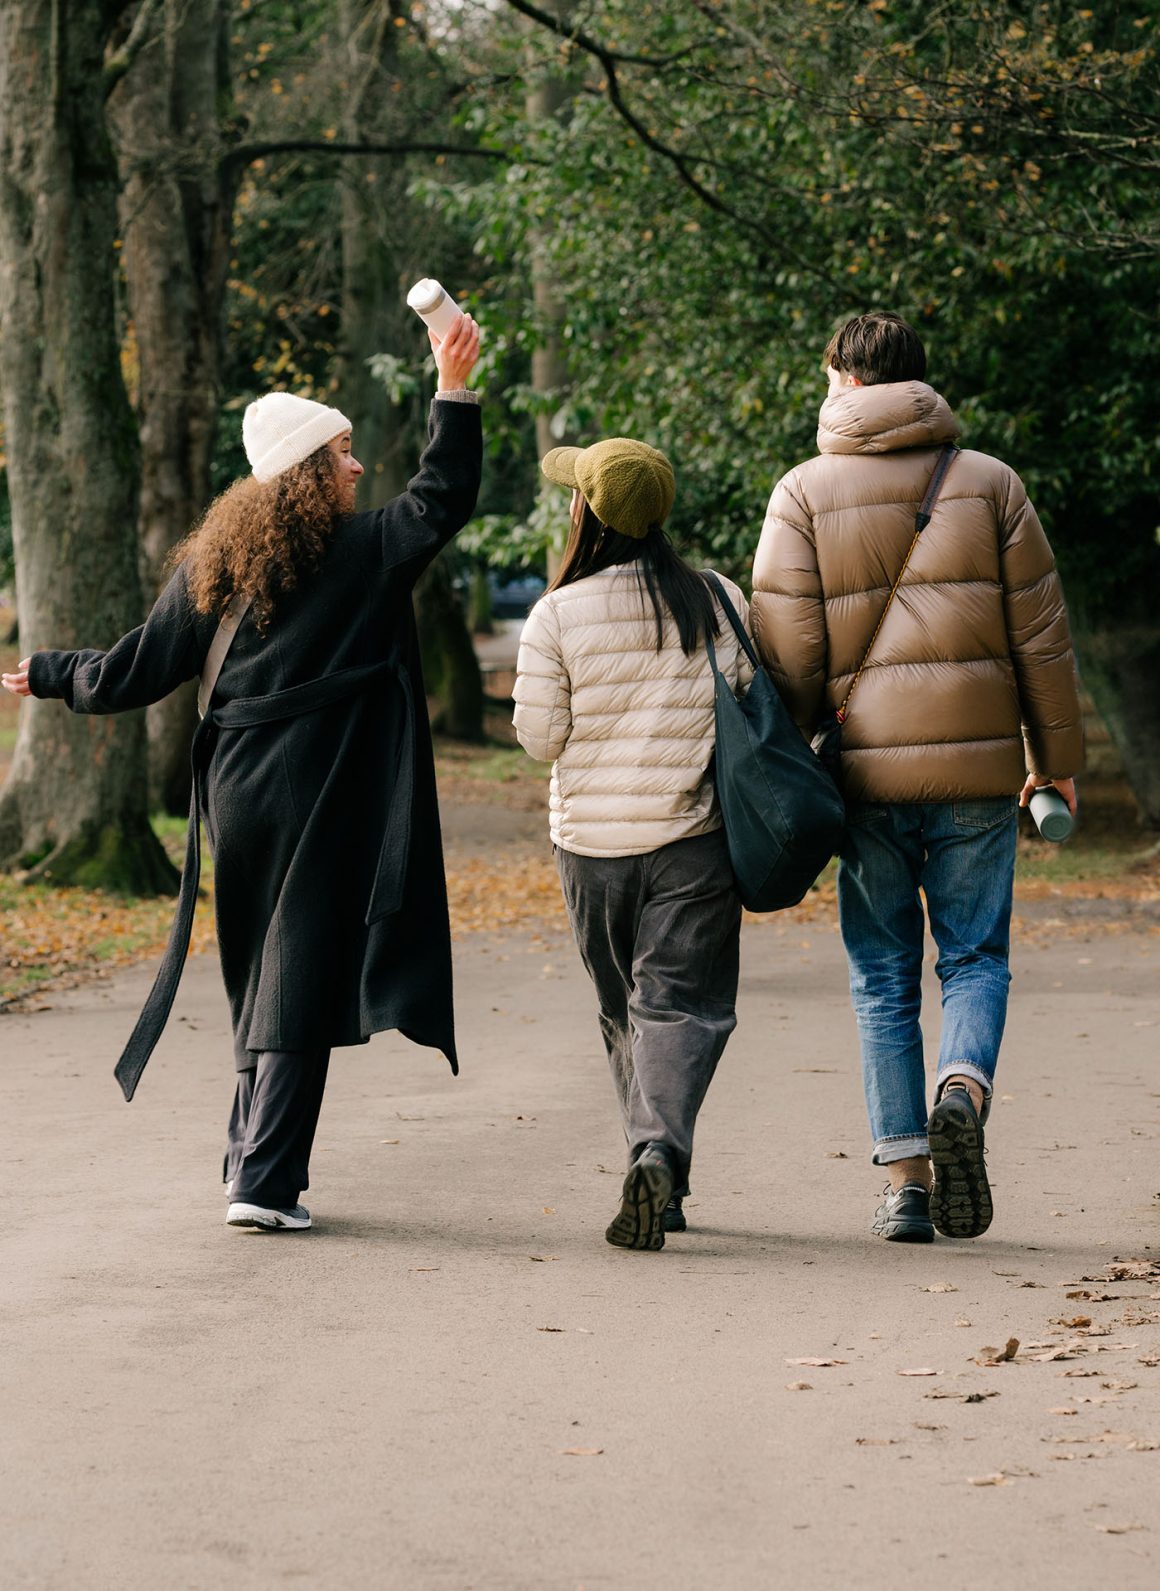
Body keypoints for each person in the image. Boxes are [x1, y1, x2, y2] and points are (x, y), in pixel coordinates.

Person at [2, 314, 482, 1233]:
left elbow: (137, 668)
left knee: (261, 969)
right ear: (307, 469)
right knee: (301, 972)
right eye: (342, 453)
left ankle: (247, 1157)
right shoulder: (367, 548)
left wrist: (56, 673)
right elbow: (443, 494)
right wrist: (451, 388)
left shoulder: (213, 566)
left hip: (236, 793)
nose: (356, 468)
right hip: (324, 793)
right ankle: (263, 1182)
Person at [751, 311, 1083, 1244]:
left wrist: (798, 750)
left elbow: (790, 655)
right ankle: (962, 1088)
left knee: (883, 977)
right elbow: (1042, 640)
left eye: (826, 379)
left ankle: (905, 1183)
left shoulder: (802, 494)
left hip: (864, 778)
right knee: (975, 955)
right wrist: (1051, 763)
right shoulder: (992, 486)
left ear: (849, 383)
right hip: (978, 772)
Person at [513, 438, 752, 1251]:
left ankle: (652, 1158)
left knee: (625, 1011)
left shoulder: (556, 613)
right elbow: (756, 700)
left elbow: (541, 738)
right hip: (695, 840)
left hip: (593, 850)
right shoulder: (717, 599)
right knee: (681, 1007)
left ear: (586, 513)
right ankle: (659, 1154)